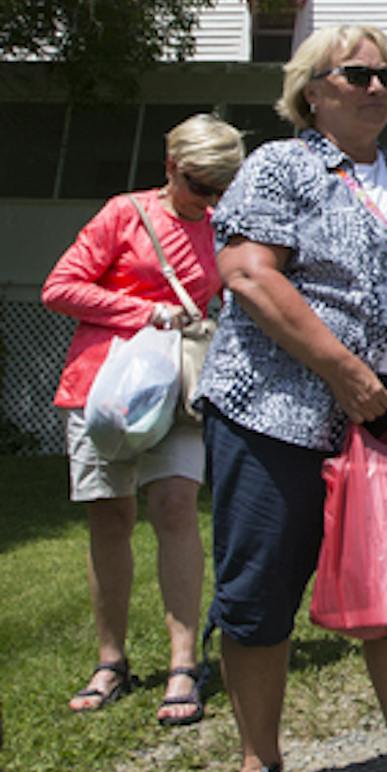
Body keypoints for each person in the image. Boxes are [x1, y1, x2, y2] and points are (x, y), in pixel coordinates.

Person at [198, 24, 387, 772]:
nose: (377, 86)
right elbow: (250, 272)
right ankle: (259, 771)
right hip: (276, 412)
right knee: (261, 589)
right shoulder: (280, 167)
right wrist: (344, 372)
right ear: (312, 89)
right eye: (357, 73)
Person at [42, 114, 245, 729]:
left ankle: (185, 661)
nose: (207, 198)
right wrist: (143, 312)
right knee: (111, 515)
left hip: (180, 390)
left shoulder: (223, 228)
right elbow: (60, 287)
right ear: (169, 166)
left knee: (177, 509)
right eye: (197, 183)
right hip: (105, 392)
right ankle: (112, 661)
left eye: (219, 187)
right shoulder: (123, 214)